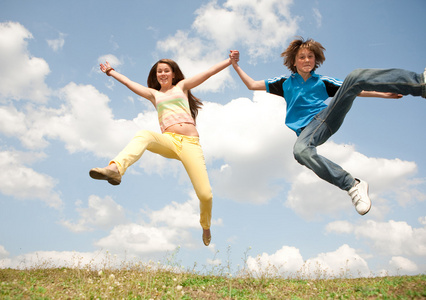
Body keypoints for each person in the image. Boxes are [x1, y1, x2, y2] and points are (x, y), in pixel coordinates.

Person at [229, 38, 425, 215]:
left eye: (310, 57)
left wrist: (383, 95)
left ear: (315, 60)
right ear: (294, 61)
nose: (306, 60)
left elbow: (356, 90)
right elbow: (252, 85)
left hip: (327, 117)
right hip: (308, 132)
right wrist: (235, 65)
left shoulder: (323, 81)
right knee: (301, 151)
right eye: (302, 57)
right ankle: (352, 185)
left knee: (355, 77)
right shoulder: (284, 83)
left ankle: (420, 84)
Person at [90, 55, 236, 246]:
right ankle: (115, 169)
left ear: (173, 74)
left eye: (166, 70)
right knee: (144, 135)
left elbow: (207, 73)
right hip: (169, 140)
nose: (163, 74)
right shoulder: (154, 94)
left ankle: (205, 226)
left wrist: (229, 61)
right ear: (156, 75)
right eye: (159, 71)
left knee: (206, 195)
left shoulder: (182, 87)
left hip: (190, 144)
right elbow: (129, 83)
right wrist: (111, 72)